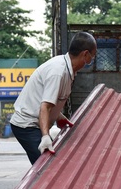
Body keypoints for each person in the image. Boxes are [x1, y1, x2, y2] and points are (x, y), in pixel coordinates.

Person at [10, 32, 97, 164]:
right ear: (85, 54)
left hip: (35, 122)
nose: (90, 61)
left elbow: (50, 101)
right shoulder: (58, 72)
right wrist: (45, 137)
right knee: (45, 166)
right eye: (92, 57)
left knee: (48, 164)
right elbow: (44, 106)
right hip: (26, 125)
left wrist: (59, 116)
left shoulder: (68, 71)